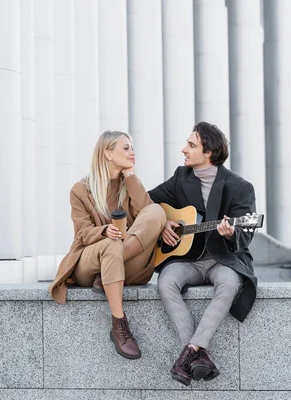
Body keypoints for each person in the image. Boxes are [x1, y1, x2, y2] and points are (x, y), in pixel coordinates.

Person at [148, 122, 257, 385]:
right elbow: (147, 201)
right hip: (188, 260)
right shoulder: (180, 177)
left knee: (230, 283)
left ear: (209, 152)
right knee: (166, 281)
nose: (183, 149)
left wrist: (232, 233)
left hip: (223, 259)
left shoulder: (239, 186)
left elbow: (247, 231)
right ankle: (198, 355)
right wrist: (162, 222)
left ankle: (188, 353)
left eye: (191, 145)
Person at [48, 130, 166, 360]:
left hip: (123, 264)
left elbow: (147, 214)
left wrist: (130, 176)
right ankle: (119, 325)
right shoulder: (81, 189)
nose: (132, 152)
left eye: (132, 148)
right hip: (89, 264)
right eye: (126, 148)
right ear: (108, 153)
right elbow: (81, 234)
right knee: (111, 243)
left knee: (156, 211)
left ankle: (109, 275)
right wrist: (104, 231)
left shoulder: (129, 185)